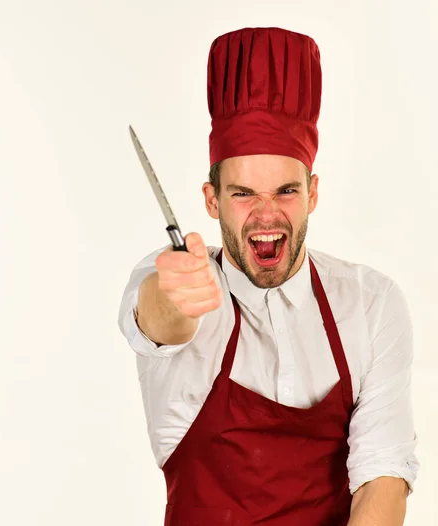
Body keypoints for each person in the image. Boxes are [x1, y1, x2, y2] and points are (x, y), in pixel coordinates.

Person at [117, 27, 419, 525]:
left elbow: (382, 475)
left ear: (313, 193)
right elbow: (159, 320)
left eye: (285, 191)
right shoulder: (173, 275)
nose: (266, 215)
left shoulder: (371, 303)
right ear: (211, 200)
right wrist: (174, 296)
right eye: (242, 194)